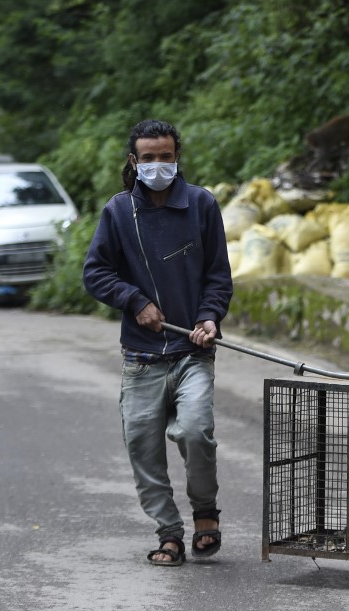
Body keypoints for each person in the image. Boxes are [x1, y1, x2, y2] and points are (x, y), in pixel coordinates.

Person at [83, 119, 234, 567]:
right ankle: (169, 533)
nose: (157, 165)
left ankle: (205, 512)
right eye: (147, 158)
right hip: (142, 358)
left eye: (165, 156)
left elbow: (218, 276)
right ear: (134, 161)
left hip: (192, 352)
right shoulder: (118, 211)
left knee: (195, 431)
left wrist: (209, 317)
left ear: (177, 157)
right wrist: (134, 301)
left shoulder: (202, 205)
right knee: (143, 448)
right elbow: (96, 273)